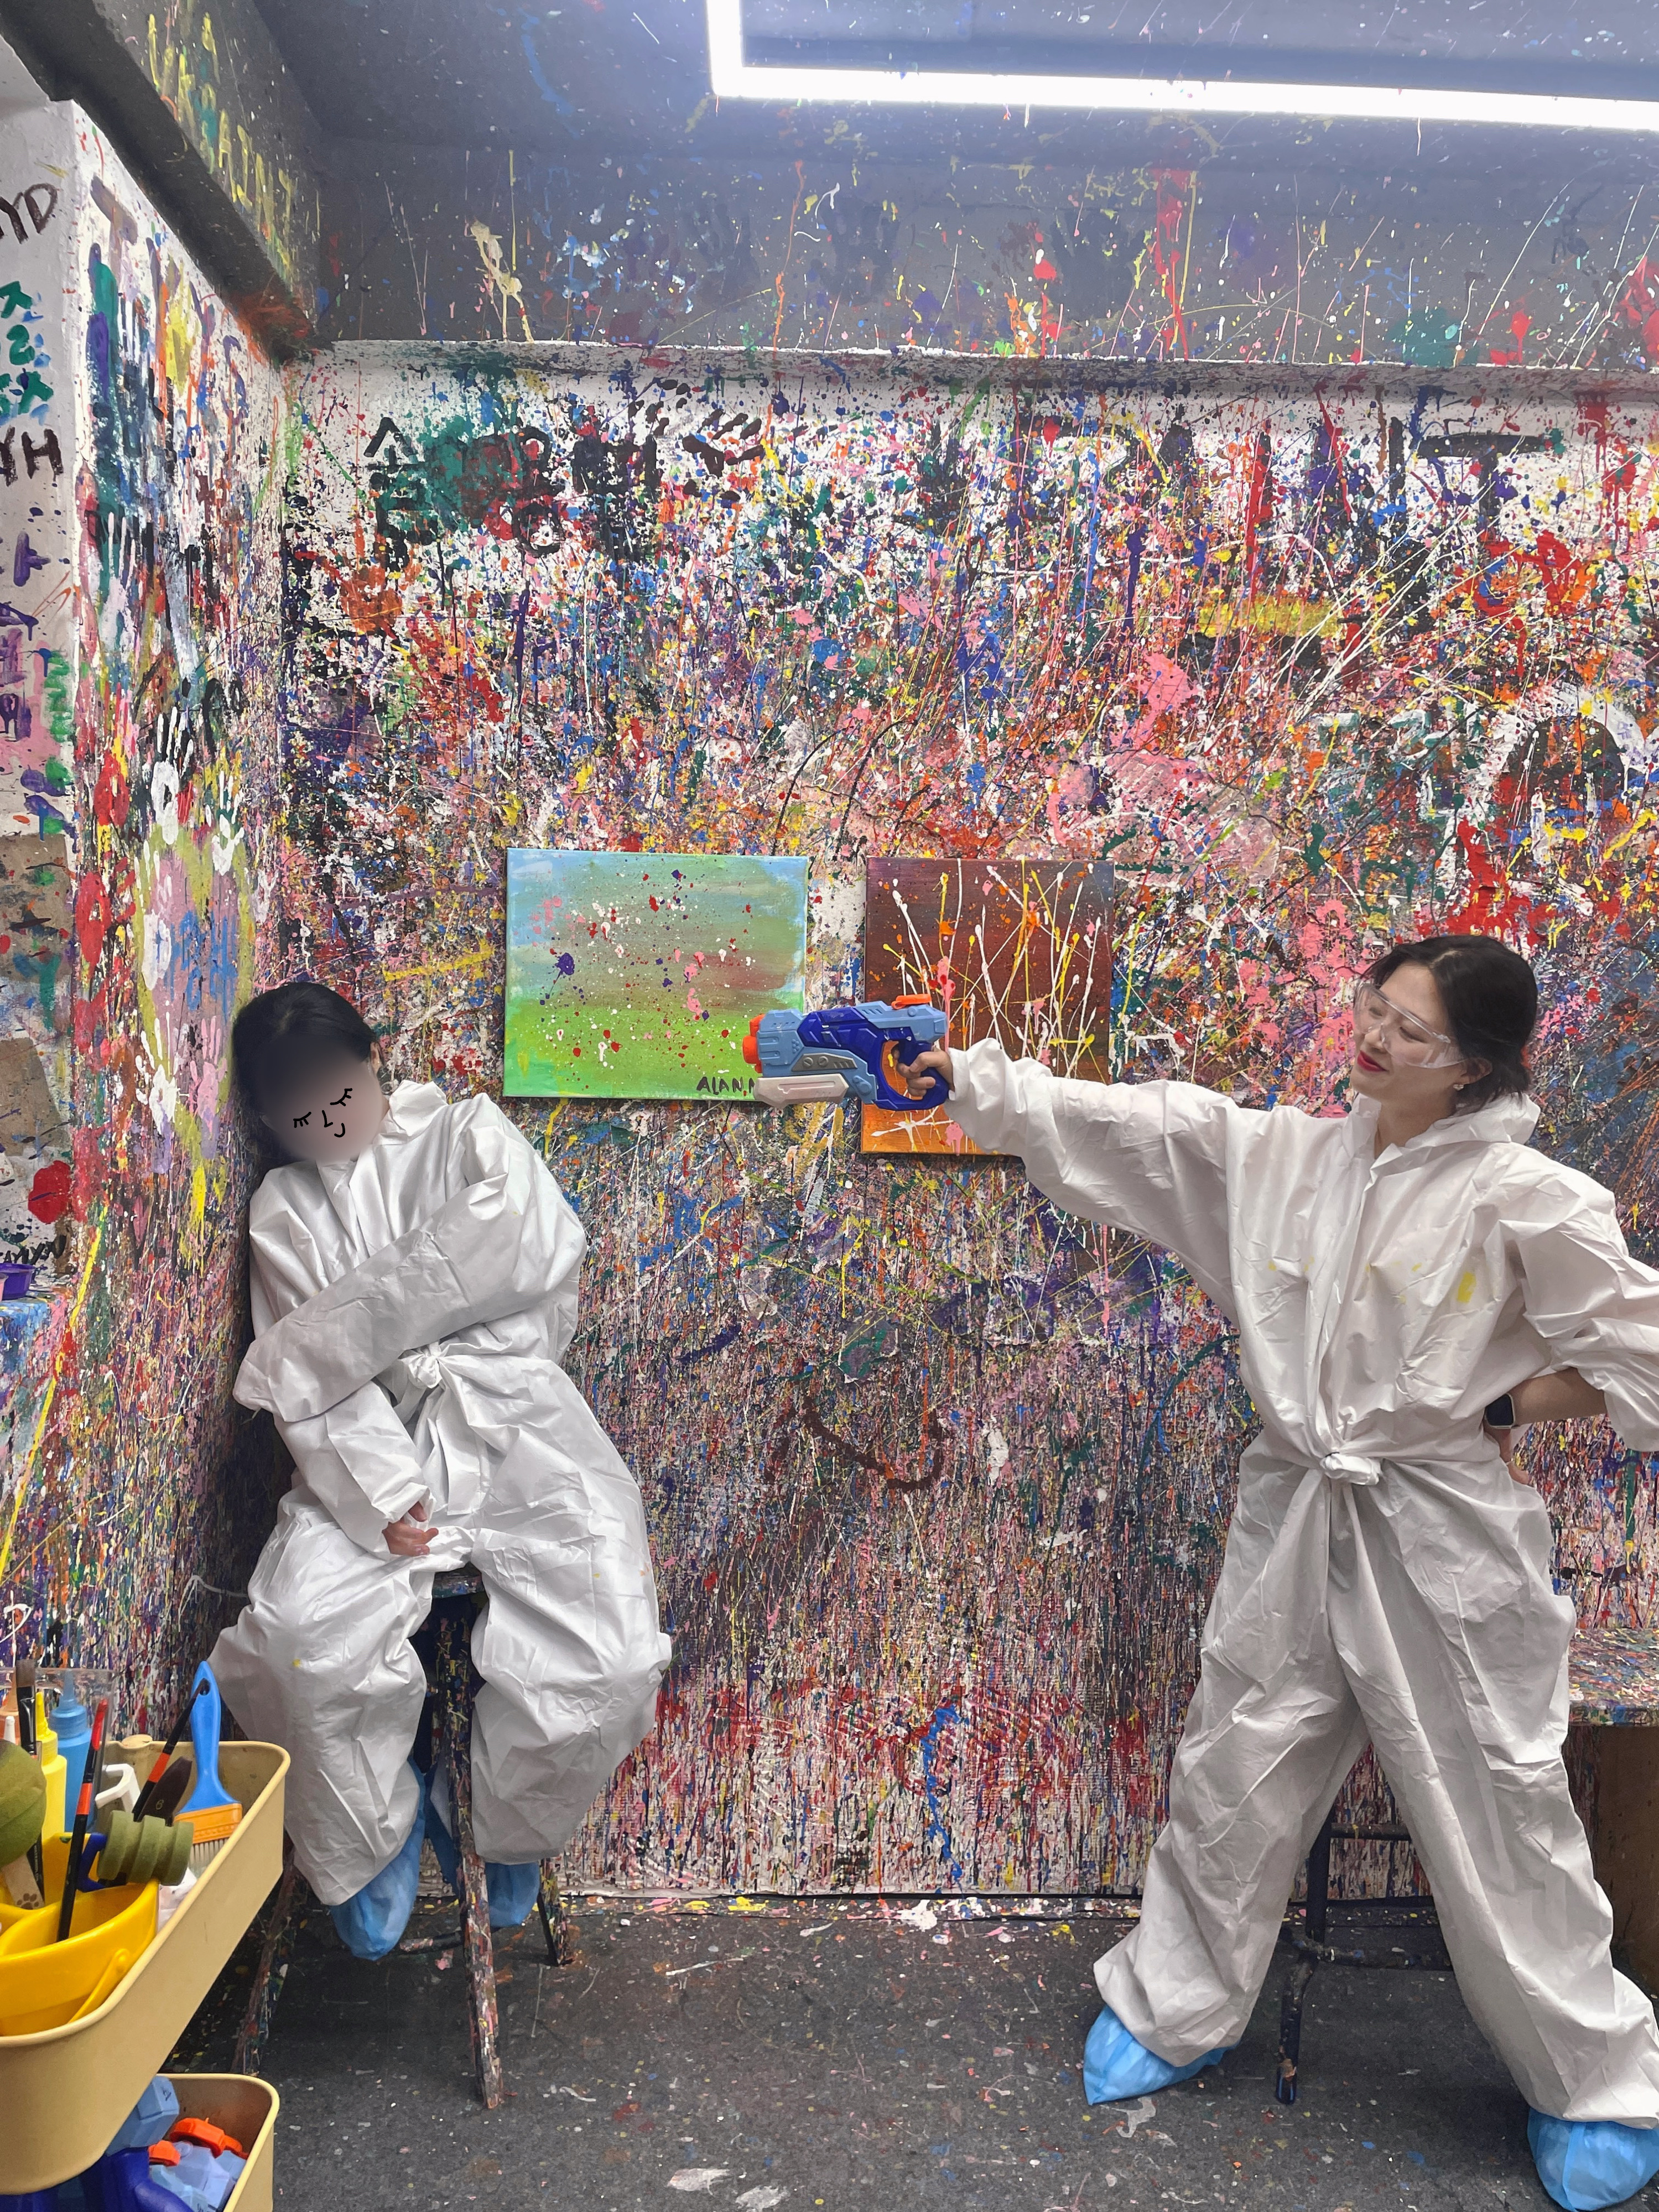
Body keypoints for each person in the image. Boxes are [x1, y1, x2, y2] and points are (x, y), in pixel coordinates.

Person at [905, 933, 1659, 2212]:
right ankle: (1175, 2001)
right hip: (1299, 1510)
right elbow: (1140, 1126)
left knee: (1499, 1804)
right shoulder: (1289, 1160)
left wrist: (1513, 1401)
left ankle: (1597, 2082)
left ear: (1473, 1064)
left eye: (1411, 1029)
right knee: (1236, 1762)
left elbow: (1643, 1351)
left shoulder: (1531, 1198)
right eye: (1374, 1004)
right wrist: (973, 1081)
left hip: (1442, 1534)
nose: (1375, 1035)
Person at [212, 980, 671, 1959]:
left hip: (519, 1424)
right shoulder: (283, 1212)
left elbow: (530, 1249)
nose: (329, 1120)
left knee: (615, 1656)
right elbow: (314, 1390)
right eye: (300, 1112)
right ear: (268, 1120)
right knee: (295, 1643)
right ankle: (370, 1839)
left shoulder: (466, 1132)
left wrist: (335, 1337)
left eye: (340, 1092)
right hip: (367, 1450)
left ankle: (495, 1824)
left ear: (373, 1058)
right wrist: (381, 1492)